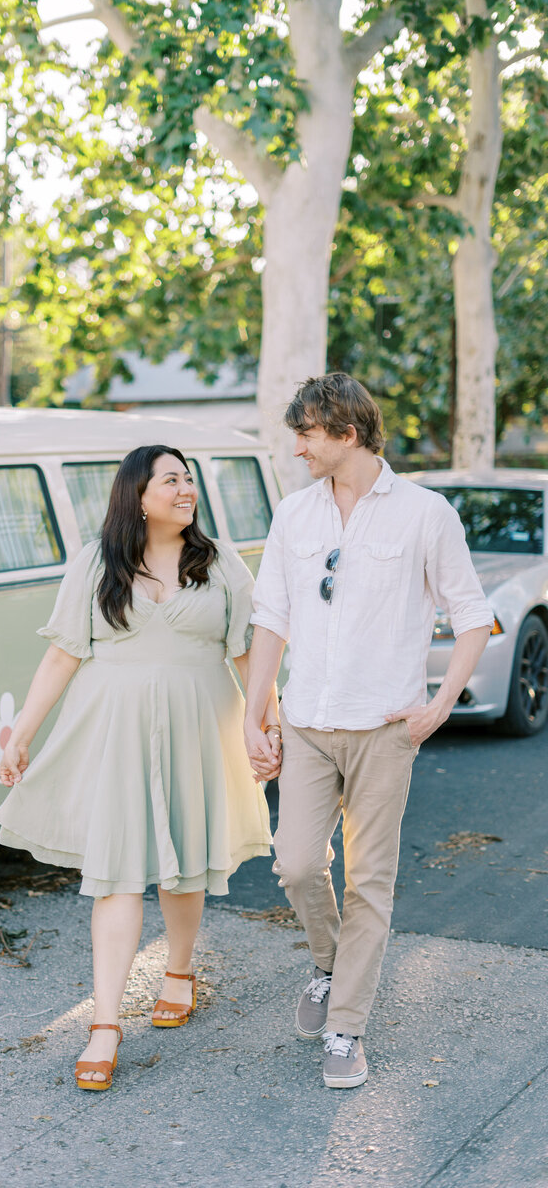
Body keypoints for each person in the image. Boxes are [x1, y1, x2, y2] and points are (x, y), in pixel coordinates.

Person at [0, 445, 278, 1091]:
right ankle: (104, 1023)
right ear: (138, 494)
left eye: (190, 479)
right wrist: (22, 733)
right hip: (114, 731)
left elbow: (248, 654)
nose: (187, 489)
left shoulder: (220, 561)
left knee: (184, 858)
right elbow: (63, 655)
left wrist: (267, 720)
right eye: (172, 479)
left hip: (199, 726)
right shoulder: (96, 563)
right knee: (116, 872)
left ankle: (179, 968)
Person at [243, 373, 493, 1089]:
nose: (298, 447)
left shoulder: (424, 512)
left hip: (386, 726)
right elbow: (272, 618)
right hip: (309, 721)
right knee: (294, 861)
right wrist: (256, 710)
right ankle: (330, 962)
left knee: (371, 882)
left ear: (347, 434)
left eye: (308, 433)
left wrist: (440, 703)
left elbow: (471, 613)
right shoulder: (294, 515)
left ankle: (346, 1026)